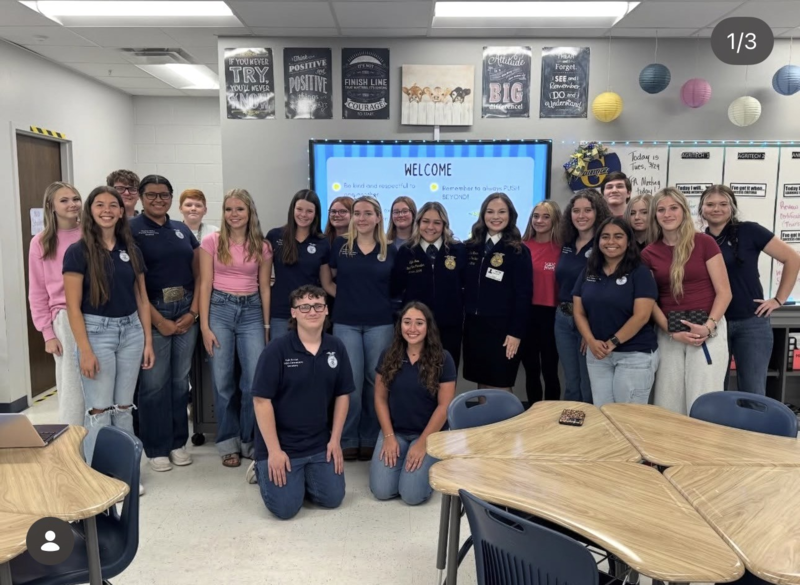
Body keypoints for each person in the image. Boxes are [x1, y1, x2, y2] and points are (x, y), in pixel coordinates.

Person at [63, 186, 154, 466]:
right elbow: (73, 307)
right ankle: (100, 472)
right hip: (96, 333)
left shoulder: (131, 250)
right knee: (100, 409)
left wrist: (148, 341)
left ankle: (127, 470)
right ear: (90, 210)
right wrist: (85, 350)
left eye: (112, 205)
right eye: (99, 205)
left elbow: (141, 297)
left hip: (131, 332)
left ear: (120, 211)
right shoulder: (77, 252)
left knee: (124, 408)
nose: (107, 210)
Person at [249, 285, 353, 520]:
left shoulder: (336, 347)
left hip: (318, 443)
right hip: (281, 445)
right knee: (285, 509)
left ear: (327, 311)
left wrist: (335, 440)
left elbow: (343, 395)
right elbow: (261, 401)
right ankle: (261, 467)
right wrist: (274, 452)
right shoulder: (276, 350)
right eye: (304, 307)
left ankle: (302, 476)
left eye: (318, 306)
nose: (312, 311)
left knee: (333, 499)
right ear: (294, 313)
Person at [700, 185, 800, 395]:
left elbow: (792, 258)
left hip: (751, 322)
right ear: (701, 209)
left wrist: (778, 300)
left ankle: (753, 430)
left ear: (732, 207)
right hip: (716, 324)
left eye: (723, 204)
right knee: (715, 389)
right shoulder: (699, 241)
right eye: (710, 204)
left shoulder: (749, 231)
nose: (716, 208)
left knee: (753, 390)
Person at [129, 175, 199, 472]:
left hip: (185, 310)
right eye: (152, 195)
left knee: (179, 381)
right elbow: (132, 280)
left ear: (172, 197)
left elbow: (199, 274)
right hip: (153, 310)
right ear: (142, 197)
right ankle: (156, 446)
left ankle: (177, 442)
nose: (158, 200)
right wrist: (157, 321)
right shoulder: (131, 230)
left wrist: (193, 313)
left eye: (164, 195)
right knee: (154, 384)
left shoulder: (182, 229)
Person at [642, 187, 732, 414]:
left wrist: (708, 327)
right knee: (668, 402)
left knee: (704, 401)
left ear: (684, 211)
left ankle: (704, 450)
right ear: (655, 215)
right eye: (661, 209)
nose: (667, 214)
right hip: (670, 331)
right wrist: (672, 332)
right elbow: (650, 301)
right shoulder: (649, 253)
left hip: (707, 329)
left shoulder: (704, 243)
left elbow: (724, 292)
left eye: (673, 208)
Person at [200, 188, 272, 467]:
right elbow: (204, 284)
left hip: (252, 311)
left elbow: (265, 287)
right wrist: (205, 326)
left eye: (239, 209)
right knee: (223, 382)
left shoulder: (262, 246)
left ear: (250, 211)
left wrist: (265, 325)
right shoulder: (211, 242)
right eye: (229, 209)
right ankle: (227, 441)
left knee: (253, 382)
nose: (234, 215)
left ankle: (249, 440)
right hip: (219, 309)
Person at [329, 196, 396, 461]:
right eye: (357, 213)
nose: (362, 218)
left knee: (375, 382)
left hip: (380, 323)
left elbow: (397, 288)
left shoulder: (390, 250)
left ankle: (370, 437)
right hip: (346, 322)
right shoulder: (341, 248)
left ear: (379, 217)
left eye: (368, 213)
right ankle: (347, 438)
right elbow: (327, 279)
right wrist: (346, 297)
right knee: (350, 383)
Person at [370, 302, 456, 505]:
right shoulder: (388, 355)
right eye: (407, 322)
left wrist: (422, 444)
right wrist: (389, 437)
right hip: (396, 432)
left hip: (429, 434)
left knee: (412, 495)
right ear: (400, 326)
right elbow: (380, 399)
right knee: (382, 491)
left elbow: (444, 407)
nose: (412, 329)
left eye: (419, 323)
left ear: (428, 327)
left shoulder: (443, 358)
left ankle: (434, 459)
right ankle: (405, 458)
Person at [572, 218, 660, 407]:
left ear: (629, 242)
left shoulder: (640, 273)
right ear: (598, 242)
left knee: (628, 418)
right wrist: (590, 341)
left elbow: (642, 316)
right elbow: (578, 312)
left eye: (618, 236)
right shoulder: (589, 270)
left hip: (634, 354)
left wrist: (612, 342)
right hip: (598, 354)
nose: (611, 242)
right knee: (603, 412)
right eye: (605, 237)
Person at [463, 193, 532, 390]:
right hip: (475, 328)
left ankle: (504, 423)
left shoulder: (518, 251)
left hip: (504, 329)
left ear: (510, 215)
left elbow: (523, 295)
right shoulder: (470, 247)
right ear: (483, 215)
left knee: (501, 383)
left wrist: (515, 333)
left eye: (502, 212)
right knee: (482, 381)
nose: (496, 216)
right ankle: (486, 422)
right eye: (490, 211)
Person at [28, 182, 84, 425]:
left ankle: (100, 449)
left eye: (75, 198)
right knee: (73, 390)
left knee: (99, 389)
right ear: (51, 206)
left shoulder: (90, 234)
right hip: (64, 319)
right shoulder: (41, 242)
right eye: (64, 200)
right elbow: (37, 291)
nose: (72, 204)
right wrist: (47, 333)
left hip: (97, 314)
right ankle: (72, 449)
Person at [390, 202, 465, 368]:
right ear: (418, 223)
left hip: (449, 326)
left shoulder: (457, 250)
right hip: (415, 327)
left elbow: (466, 285)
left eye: (437, 222)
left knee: (446, 372)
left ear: (444, 225)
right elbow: (395, 287)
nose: (430, 227)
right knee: (416, 373)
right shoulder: (407, 251)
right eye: (425, 221)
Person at [555, 189, 612, 404]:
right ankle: (570, 433)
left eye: (588, 210)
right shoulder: (567, 245)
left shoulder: (605, 245)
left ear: (598, 212)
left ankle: (590, 433)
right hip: (562, 319)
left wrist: (592, 332)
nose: (581, 215)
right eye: (576, 211)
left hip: (589, 322)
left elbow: (607, 289)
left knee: (589, 385)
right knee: (571, 382)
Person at [265, 189, 334, 339]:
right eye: (299, 209)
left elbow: (326, 284)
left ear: (316, 214)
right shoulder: (274, 236)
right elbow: (263, 279)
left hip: (311, 312)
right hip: (280, 312)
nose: (303, 215)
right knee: (281, 359)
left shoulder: (322, 242)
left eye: (309, 211)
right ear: (292, 209)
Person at [520, 200, 563, 405]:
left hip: (552, 315)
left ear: (555, 220)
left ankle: (551, 414)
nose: (539, 220)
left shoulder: (564, 249)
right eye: (536, 216)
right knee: (531, 369)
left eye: (546, 217)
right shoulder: (521, 246)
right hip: (527, 314)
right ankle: (534, 413)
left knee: (550, 369)